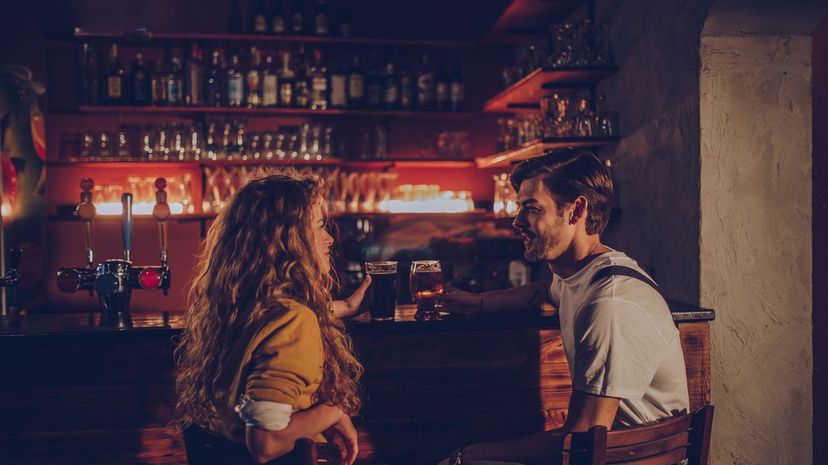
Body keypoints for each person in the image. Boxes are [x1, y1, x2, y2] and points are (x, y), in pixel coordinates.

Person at [437, 149, 689, 465]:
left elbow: (582, 441)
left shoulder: (609, 304)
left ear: (575, 210)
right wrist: (478, 303)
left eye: (531, 208)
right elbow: (544, 293)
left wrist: (468, 454)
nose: (517, 221)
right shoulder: (584, 274)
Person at [176, 174, 370, 465]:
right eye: (318, 227)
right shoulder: (294, 321)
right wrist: (333, 411)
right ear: (288, 242)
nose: (329, 239)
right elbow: (266, 443)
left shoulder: (238, 308)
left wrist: (346, 305)